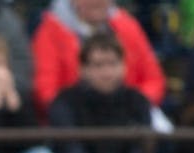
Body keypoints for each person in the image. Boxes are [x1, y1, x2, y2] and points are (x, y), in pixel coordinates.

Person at [48, 33, 166, 153]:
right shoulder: (65, 103)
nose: (107, 72)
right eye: (98, 65)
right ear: (83, 69)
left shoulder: (137, 101)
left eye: (113, 64)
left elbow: (143, 149)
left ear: (124, 66)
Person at [31, 0, 167, 116]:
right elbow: (46, 91)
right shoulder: (50, 32)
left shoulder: (128, 26)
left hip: (130, 114)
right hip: (76, 119)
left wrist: (135, 105)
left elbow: (154, 79)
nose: (96, 1)